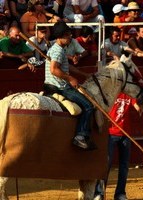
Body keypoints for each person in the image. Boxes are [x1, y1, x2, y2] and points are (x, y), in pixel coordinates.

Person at [44, 21, 95, 150]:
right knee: (89, 106)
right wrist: (70, 78)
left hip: (52, 84)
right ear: (60, 35)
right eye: (67, 35)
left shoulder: (58, 49)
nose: (70, 37)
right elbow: (54, 69)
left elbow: (66, 67)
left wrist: (82, 74)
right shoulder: (58, 51)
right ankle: (80, 136)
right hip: (60, 87)